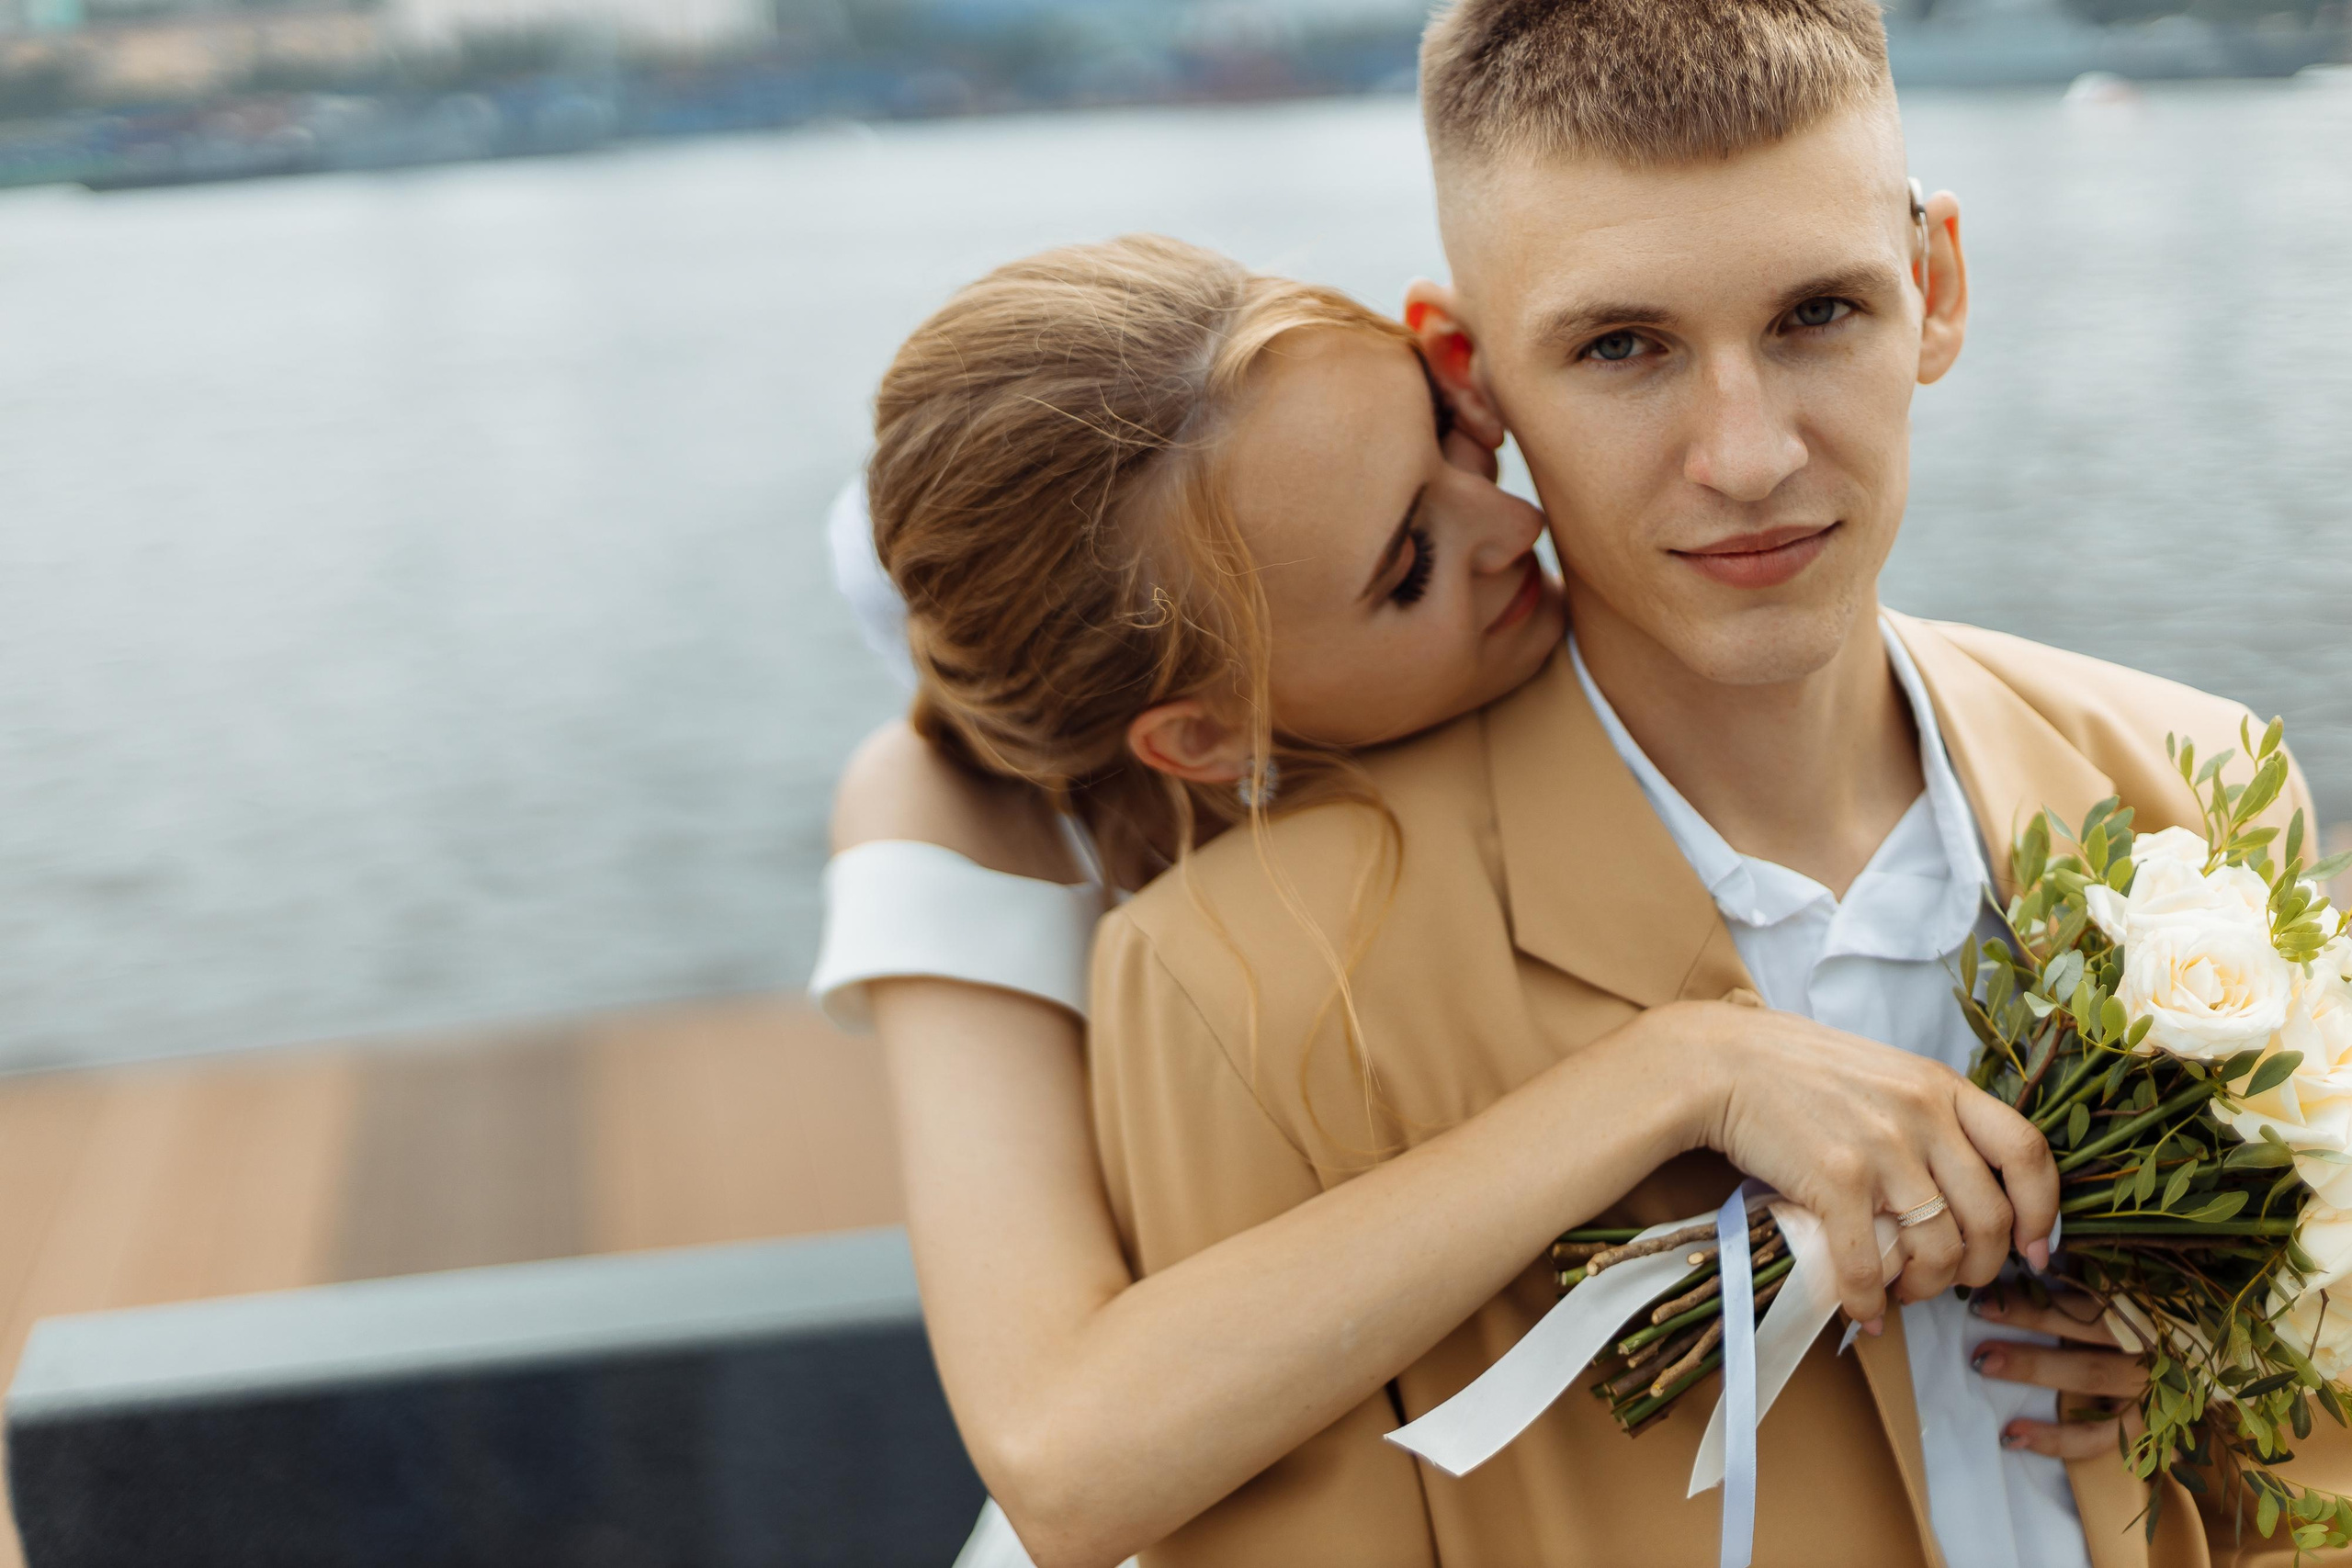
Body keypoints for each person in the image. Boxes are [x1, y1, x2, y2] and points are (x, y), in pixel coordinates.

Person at [1078, 3, 2334, 1566]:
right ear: (1471, 375)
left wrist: (2231, 1385)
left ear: (1934, 290)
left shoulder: (2199, 783)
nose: (1747, 456)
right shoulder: (1247, 973)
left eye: (1819, 315)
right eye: (1623, 347)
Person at [811, 232, 2072, 1568]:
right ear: (1200, 742)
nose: (1517, 523)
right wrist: (1676, 1072)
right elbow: (1068, 1459)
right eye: (1407, 564)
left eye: (1450, 438)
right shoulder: (951, 801)